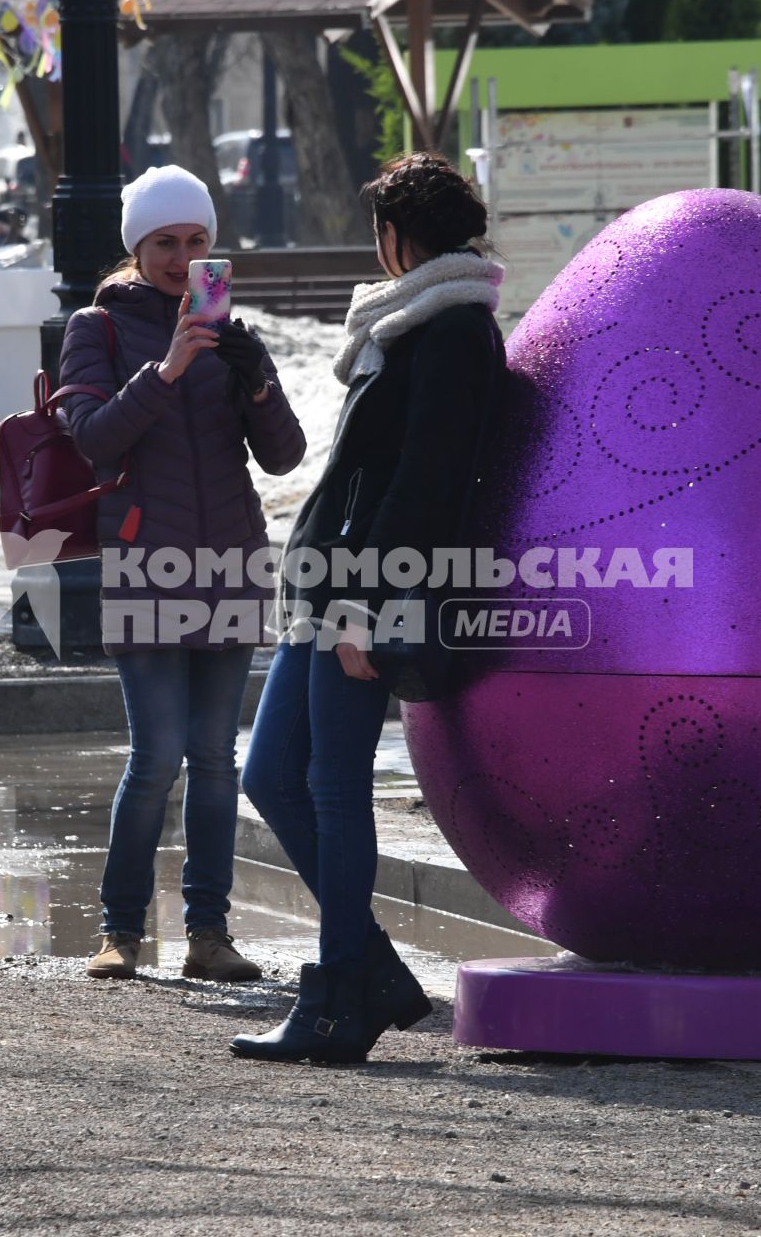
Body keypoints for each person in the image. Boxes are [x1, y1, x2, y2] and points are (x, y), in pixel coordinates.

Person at [234, 153, 507, 1063]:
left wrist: (364, 607)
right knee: (271, 774)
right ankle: (377, 974)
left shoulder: (455, 331)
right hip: (328, 580)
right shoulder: (407, 321)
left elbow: (428, 484)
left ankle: (338, 1000)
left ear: (398, 236)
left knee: (332, 786)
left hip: (360, 590)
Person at [58, 164, 307, 982]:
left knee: (215, 759)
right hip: (144, 560)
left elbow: (284, 456)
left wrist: (255, 376)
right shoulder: (96, 327)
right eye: (166, 242)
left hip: (230, 559)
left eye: (197, 241)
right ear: (137, 248)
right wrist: (165, 368)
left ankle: (208, 934)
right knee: (157, 756)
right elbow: (92, 436)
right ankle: (120, 931)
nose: (182, 255)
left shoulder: (233, 333)